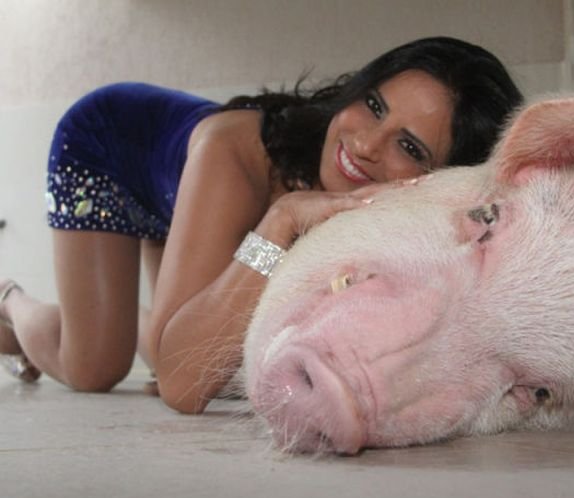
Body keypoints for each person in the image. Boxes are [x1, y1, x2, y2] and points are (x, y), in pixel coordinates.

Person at [0, 36, 523, 413]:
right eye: (373, 105)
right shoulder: (240, 159)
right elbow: (183, 387)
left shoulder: (393, 213)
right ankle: (10, 300)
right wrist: (280, 222)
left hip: (178, 183)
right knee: (97, 366)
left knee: (180, 342)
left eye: (409, 146)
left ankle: (127, 316)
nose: (365, 144)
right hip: (105, 149)